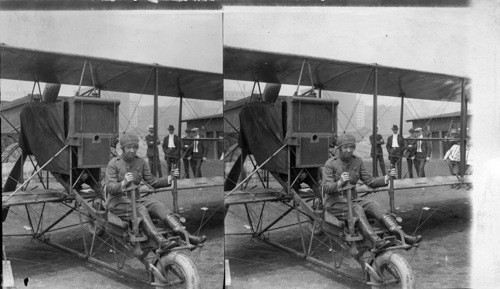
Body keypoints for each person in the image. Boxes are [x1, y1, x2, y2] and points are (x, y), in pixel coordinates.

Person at [105, 133, 207, 250]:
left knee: (157, 205)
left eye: (135, 147)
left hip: (136, 200)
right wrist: (123, 183)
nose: (132, 150)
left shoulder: (140, 162)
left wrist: (170, 177)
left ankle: (186, 236)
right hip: (118, 203)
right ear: (122, 148)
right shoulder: (114, 164)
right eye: (128, 148)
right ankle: (160, 241)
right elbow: (110, 188)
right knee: (141, 209)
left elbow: (153, 182)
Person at [322, 134, 421, 249]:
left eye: (351, 147)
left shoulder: (357, 161)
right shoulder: (330, 163)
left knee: (373, 205)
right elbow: (326, 188)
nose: (349, 150)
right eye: (345, 147)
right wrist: (339, 182)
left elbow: (370, 181)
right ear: (339, 148)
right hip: (335, 203)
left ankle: (401, 235)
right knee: (357, 209)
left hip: (353, 199)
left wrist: (387, 178)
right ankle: (376, 241)